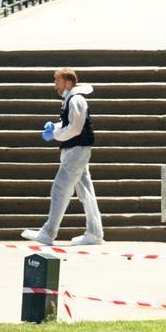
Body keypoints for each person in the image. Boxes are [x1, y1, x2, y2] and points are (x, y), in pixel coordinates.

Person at [21, 68, 104, 246]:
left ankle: (48, 233)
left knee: (59, 189)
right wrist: (56, 127)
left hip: (76, 150)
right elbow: (70, 123)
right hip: (77, 150)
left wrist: (56, 134)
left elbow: (75, 128)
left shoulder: (76, 99)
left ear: (68, 83)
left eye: (57, 81)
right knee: (86, 192)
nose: (54, 85)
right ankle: (95, 232)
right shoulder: (71, 100)